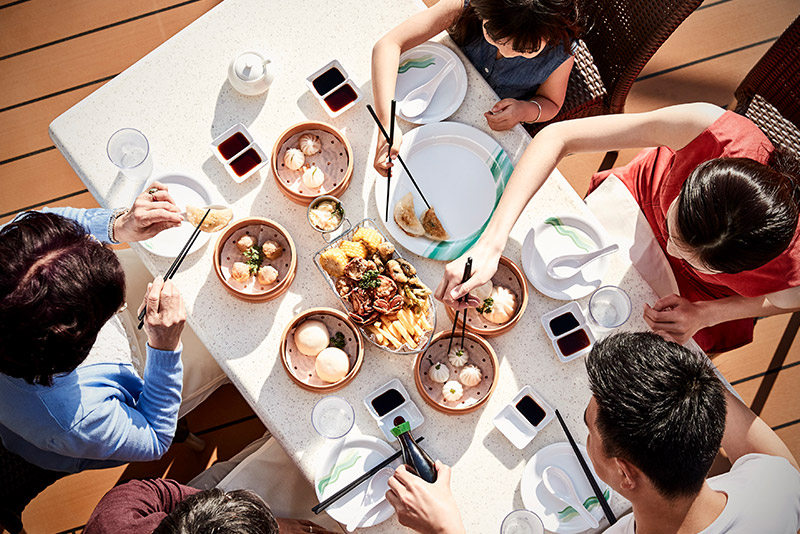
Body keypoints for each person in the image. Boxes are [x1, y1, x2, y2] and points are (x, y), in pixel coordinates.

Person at [436, 103, 800, 352]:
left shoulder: (792, 270)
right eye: (675, 231)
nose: (670, 248)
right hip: (639, 201)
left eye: (695, 257)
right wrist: (491, 243)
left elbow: (782, 303)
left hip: (696, 296)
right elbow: (557, 137)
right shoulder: (710, 130)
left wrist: (707, 314)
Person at [0, 183, 226, 472]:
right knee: (223, 349)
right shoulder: (77, 419)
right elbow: (155, 438)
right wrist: (164, 347)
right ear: (89, 333)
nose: (95, 241)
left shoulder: (7, 260)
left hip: (75, 316)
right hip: (129, 386)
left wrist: (117, 225)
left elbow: (33, 226)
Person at [585, 332, 800, 533]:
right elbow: (783, 468)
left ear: (624, 472)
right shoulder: (775, 493)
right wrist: (691, 382)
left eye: (589, 431)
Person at [371, 0, 581, 175]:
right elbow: (388, 45)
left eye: (526, 50)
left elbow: (552, 102)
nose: (506, 53)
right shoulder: (466, 4)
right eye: (494, 36)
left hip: (480, 136)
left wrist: (523, 110)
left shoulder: (560, 52)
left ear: (552, 32)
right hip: (437, 97)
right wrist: (386, 123)